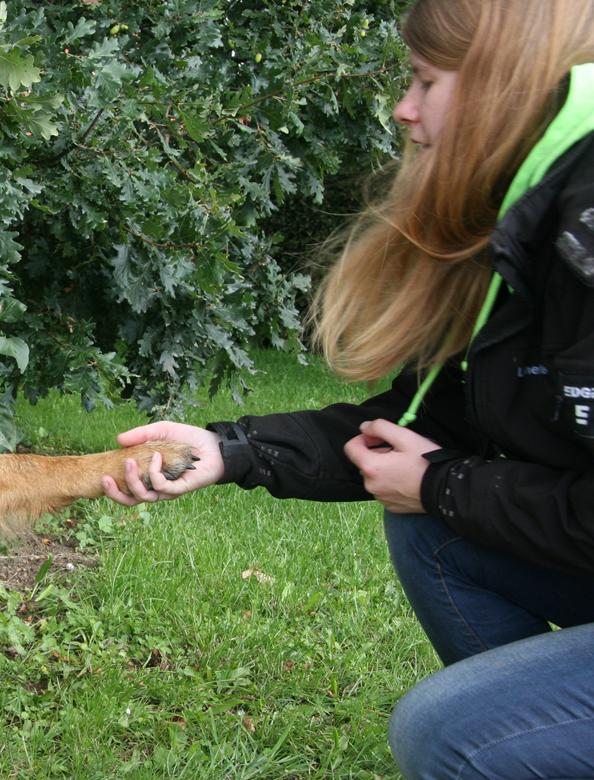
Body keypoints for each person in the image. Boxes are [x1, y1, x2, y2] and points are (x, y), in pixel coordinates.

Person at [101, 1, 594, 777]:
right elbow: (422, 420)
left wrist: (444, 484)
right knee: (435, 533)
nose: (403, 108)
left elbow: (446, 466)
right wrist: (231, 451)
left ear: (506, 86)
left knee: (450, 733)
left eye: (426, 81)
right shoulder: (525, 222)